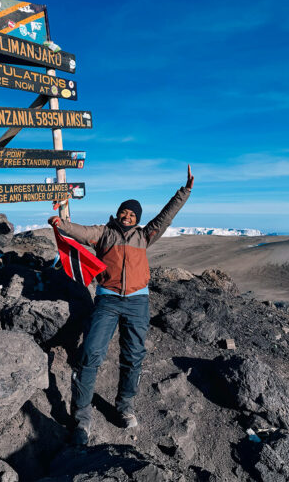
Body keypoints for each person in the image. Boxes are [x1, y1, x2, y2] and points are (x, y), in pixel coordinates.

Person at [48, 165, 194, 445]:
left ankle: (125, 406)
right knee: (91, 353)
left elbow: (166, 216)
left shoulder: (145, 235)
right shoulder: (104, 233)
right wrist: (61, 224)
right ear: (117, 214)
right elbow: (80, 231)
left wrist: (184, 191)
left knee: (134, 355)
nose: (128, 216)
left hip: (138, 301)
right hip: (108, 299)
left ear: (137, 219)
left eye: (133, 214)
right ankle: (81, 415)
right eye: (124, 212)